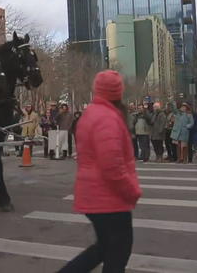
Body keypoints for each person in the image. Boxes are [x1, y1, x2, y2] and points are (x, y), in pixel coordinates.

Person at [58, 70, 141, 273]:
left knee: (104, 248)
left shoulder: (92, 113)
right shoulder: (108, 118)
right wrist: (131, 190)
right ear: (118, 93)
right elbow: (111, 166)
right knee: (118, 253)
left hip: (95, 195)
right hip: (108, 199)